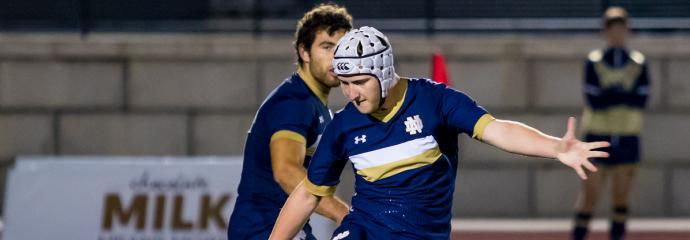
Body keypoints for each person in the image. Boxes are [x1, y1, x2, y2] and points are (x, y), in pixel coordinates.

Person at [269, 26, 610, 240]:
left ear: (384, 73)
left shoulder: (435, 101)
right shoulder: (344, 123)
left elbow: (498, 131)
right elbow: (308, 194)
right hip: (363, 230)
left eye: (359, 82)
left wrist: (555, 148)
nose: (351, 93)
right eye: (344, 84)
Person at [227, 4, 352, 240]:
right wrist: (342, 212)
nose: (337, 57)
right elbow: (286, 171)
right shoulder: (294, 103)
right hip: (264, 230)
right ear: (304, 52)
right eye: (327, 47)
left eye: (343, 48)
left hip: (285, 228)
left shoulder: (314, 103)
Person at [572, 7, 650, 240]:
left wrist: (612, 95)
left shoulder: (638, 63)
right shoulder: (594, 62)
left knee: (621, 198)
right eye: (612, 29)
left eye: (621, 28)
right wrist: (622, 95)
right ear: (605, 31)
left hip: (627, 136)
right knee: (589, 197)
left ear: (627, 30)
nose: (617, 34)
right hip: (597, 135)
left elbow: (641, 99)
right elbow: (595, 100)